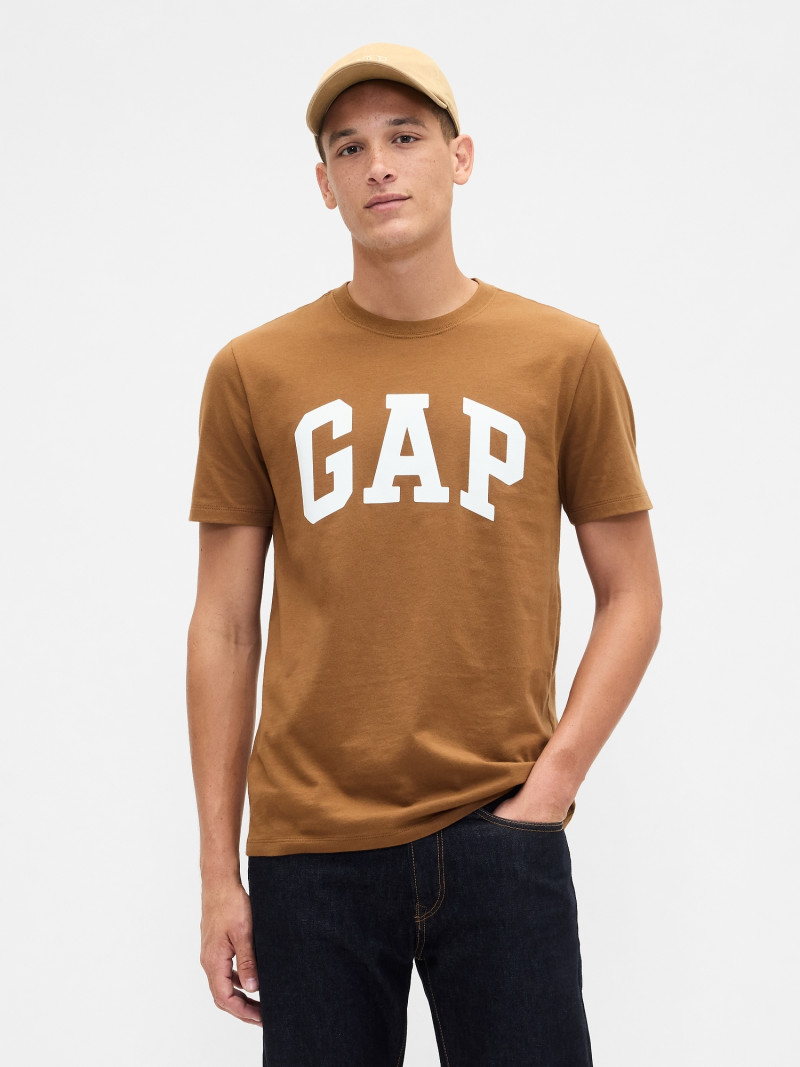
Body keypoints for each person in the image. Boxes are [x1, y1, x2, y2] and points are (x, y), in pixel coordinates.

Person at [186, 42, 662, 1066]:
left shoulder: (562, 354)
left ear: (461, 157)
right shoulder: (254, 370)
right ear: (324, 184)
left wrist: (547, 792)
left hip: (500, 834)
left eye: (404, 136)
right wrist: (220, 872)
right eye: (348, 147)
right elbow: (223, 624)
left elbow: (632, 593)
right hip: (309, 853)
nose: (379, 167)